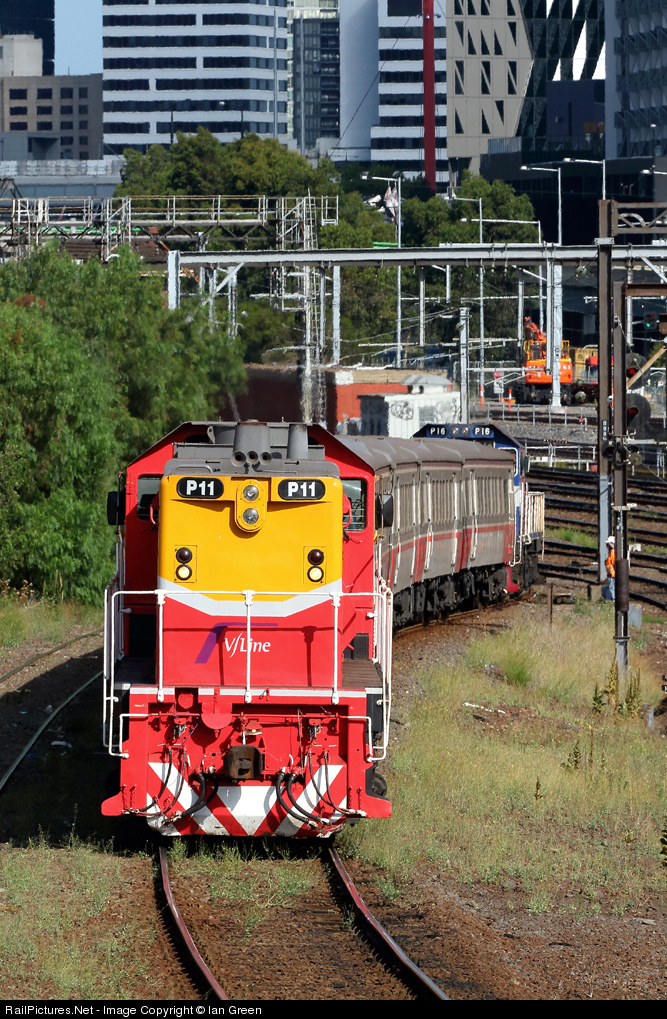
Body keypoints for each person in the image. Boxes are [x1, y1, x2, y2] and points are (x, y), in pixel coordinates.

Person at [602, 536, 615, 601]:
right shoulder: (611, 552)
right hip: (611, 574)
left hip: (612, 574)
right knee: (611, 587)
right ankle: (613, 599)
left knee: (612, 588)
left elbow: (613, 562)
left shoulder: (612, 552)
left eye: (608, 544)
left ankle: (614, 600)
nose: (606, 545)